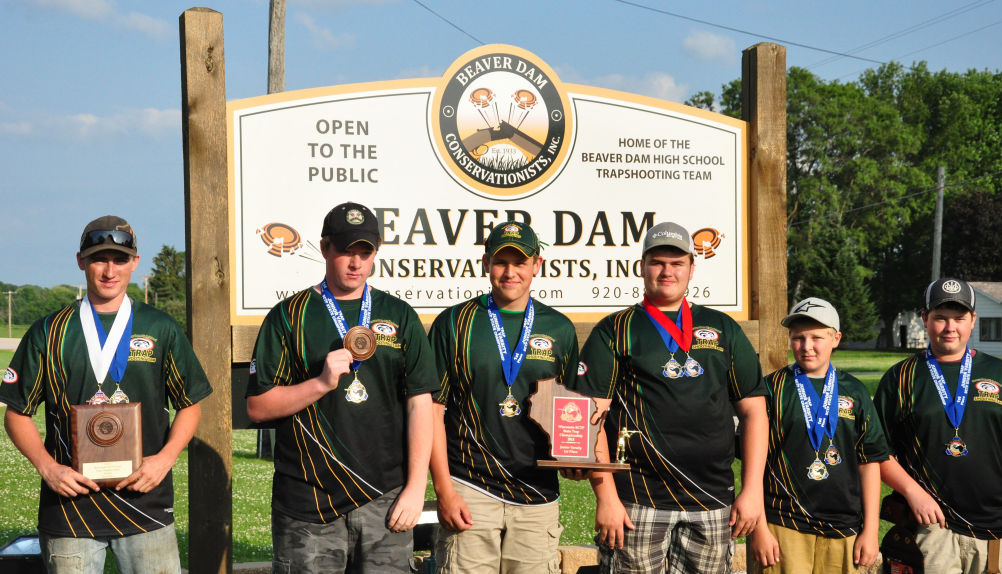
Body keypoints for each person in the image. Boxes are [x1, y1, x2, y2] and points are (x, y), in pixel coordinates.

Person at [2, 216, 212, 574]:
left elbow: (190, 403)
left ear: (135, 262)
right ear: (81, 260)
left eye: (119, 259)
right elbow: (16, 412)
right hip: (70, 510)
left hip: (145, 503)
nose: (109, 270)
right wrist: (48, 468)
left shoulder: (160, 327)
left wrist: (164, 459)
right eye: (100, 258)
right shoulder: (48, 331)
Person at [246, 202, 437, 574]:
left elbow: (420, 405)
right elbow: (258, 406)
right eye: (346, 251)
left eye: (365, 252)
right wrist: (320, 383)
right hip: (308, 503)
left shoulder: (399, 315)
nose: (356, 262)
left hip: (385, 499)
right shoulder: (288, 316)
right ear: (324, 248)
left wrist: (415, 488)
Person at [575, 221, 768, 573]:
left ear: (692, 268)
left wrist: (752, 490)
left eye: (677, 263)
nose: (667, 271)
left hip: (711, 501)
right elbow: (592, 418)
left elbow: (755, 412)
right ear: (642, 266)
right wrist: (606, 498)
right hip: (636, 502)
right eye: (658, 262)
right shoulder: (615, 329)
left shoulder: (723, 327)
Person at [428, 221, 579, 574]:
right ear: (485, 263)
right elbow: (432, 412)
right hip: (470, 487)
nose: (510, 272)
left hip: (537, 491)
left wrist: (577, 459)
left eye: (520, 262)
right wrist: (444, 490)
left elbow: (573, 410)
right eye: (500, 262)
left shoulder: (558, 328)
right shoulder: (453, 323)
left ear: (537, 265)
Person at [874, 277, 1002, 573]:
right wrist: (913, 492)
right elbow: (877, 452)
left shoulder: (1001, 374)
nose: (950, 327)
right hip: (930, 527)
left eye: (959, 318)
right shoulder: (901, 378)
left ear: (973, 321)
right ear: (924, 319)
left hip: (995, 528)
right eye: (940, 318)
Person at [748, 297, 889, 573]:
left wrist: (871, 530)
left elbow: (869, 462)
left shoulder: (855, 391)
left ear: (836, 338)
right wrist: (759, 529)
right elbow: (755, 466)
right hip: (782, 526)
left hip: (845, 528)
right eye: (798, 338)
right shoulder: (771, 389)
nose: (807, 346)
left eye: (817, 337)